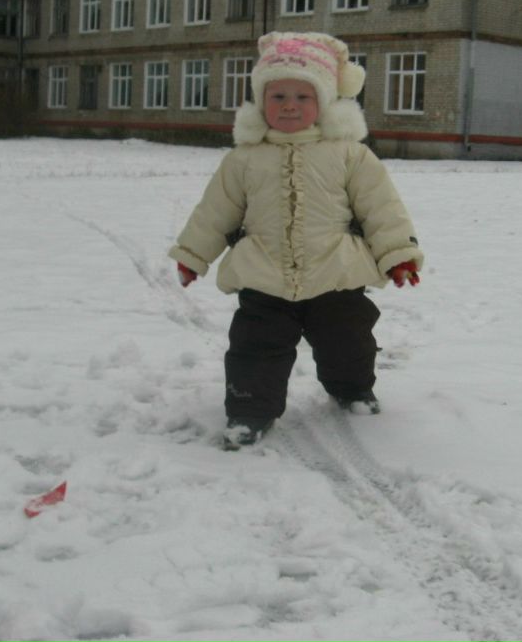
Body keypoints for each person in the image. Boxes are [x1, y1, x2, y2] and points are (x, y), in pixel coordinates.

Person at [169, 32, 424, 450]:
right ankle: (249, 411)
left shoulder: (349, 154)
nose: (290, 105)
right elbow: (216, 211)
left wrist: (398, 255)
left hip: (336, 276)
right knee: (255, 348)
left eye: (303, 97)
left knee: (350, 341)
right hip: (264, 277)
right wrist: (193, 255)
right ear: (260, 101)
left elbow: (381, 208)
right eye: (278, 95)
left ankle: (353, 389)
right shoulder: (244, 158)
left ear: (324, 103)